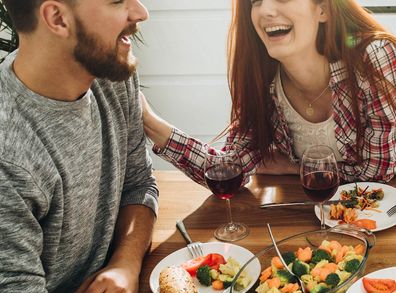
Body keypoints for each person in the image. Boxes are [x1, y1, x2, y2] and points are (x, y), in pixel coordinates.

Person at [0, 0, 158, 293]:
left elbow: (139, 184)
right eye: (117, 2)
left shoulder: (109, 73)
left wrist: (126, 263)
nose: (141, 13)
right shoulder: (8, 154)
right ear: (57, 18)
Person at [143, 0, 396, 184]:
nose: (265, 10)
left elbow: (378, 173)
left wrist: (296, 167)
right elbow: (228, 170)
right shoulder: (262, 81)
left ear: (323, 9)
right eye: (256, 1)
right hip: (307, 219)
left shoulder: (372, 57)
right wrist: (150, 122)